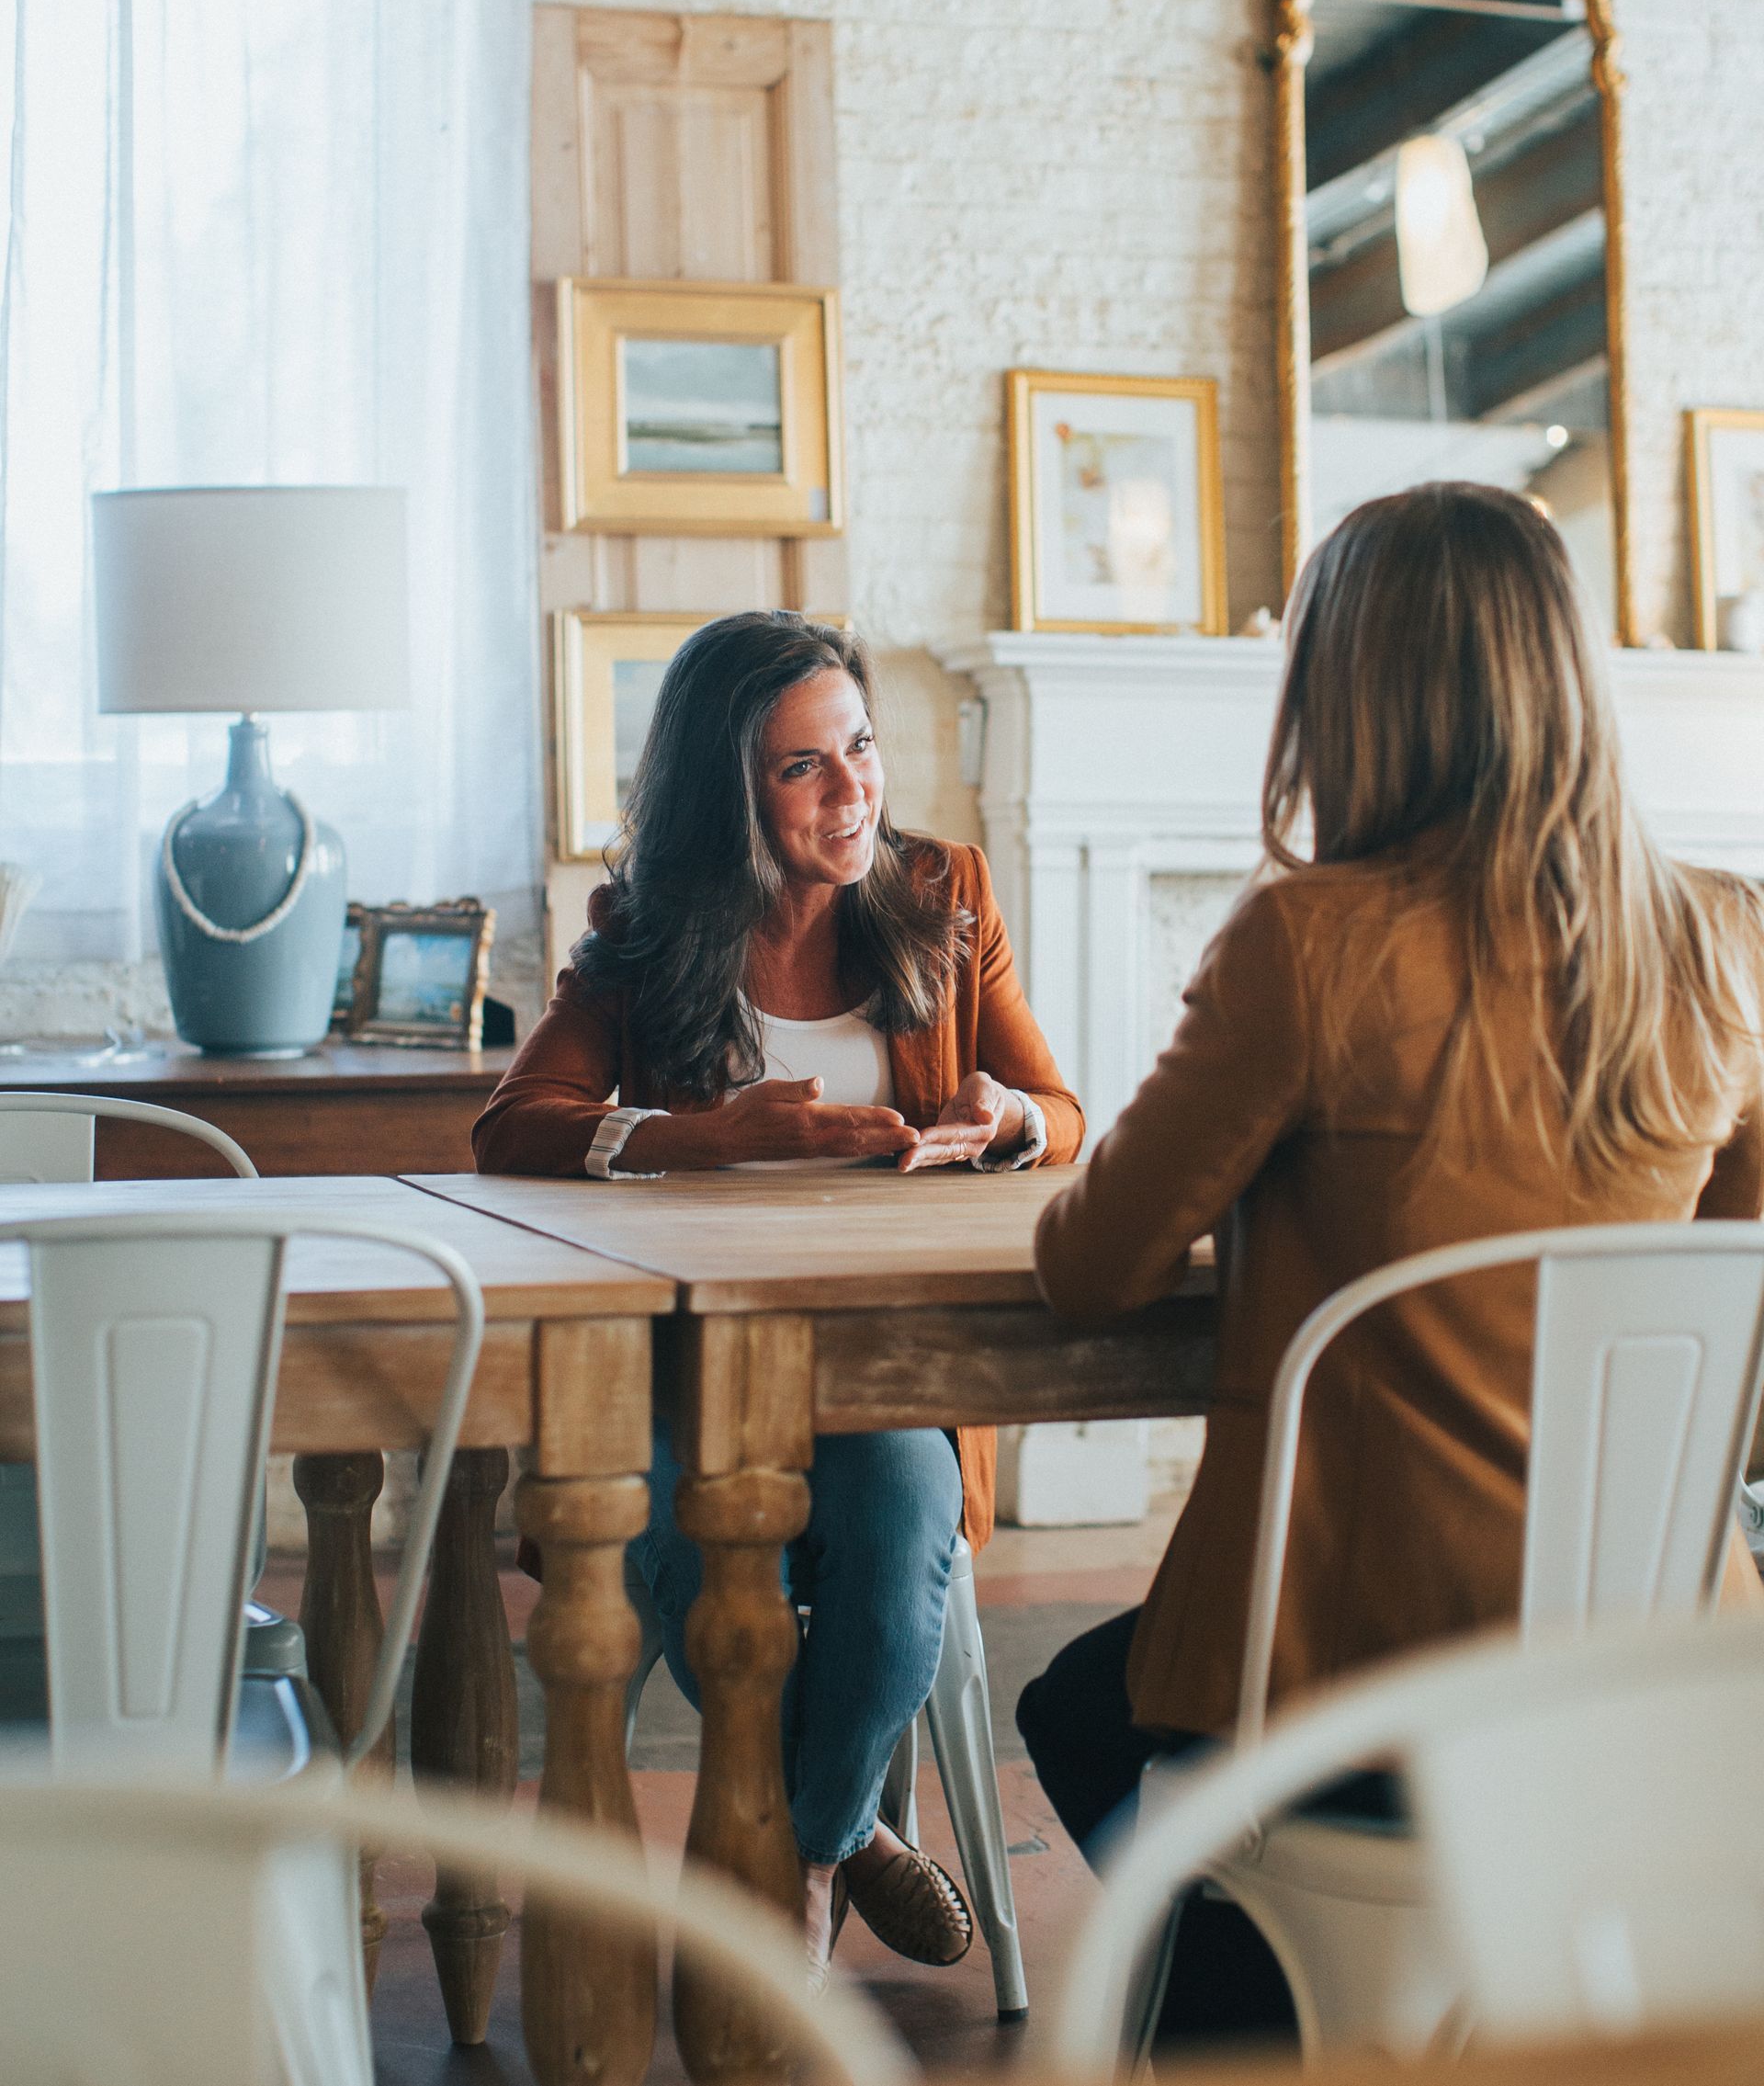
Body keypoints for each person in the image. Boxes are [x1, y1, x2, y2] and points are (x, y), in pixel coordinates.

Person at [1019, 482, 1764, 2040]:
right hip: (1665, 1669)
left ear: (1346, 697)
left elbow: (1092, 1269)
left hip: (1363, 1690)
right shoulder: (1723, 938)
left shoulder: (1310, 942)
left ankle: (1309, 2001)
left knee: (1084, 1713)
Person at [474, 609, 1081, 1982]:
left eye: (860, 746)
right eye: (805, 766)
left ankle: (807, 1861)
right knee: (690, 1523)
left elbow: (1064, 1105)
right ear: (729, 789)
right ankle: (865, 1825)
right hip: (692, 1362)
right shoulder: (645, 924)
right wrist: (713, 1133)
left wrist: (1009, 1117)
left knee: (905, 1513)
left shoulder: (947, 892)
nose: (853, 788)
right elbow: (515, 1125)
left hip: (884, 1363)